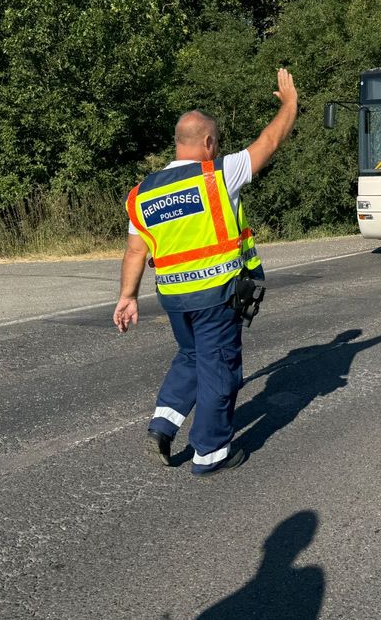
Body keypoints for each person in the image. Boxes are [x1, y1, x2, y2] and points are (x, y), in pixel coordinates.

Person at [113, 68, 298, 476]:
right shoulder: (217, 174)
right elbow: (269, 142)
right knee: (219, 366)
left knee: (191, 355)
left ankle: (162, 427)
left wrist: (127, 297)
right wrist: (289, 106)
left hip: (174, 298)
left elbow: (134, 250)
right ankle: (211, 451)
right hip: (215, 295)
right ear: (209, 143)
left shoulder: (143, 192)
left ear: (178, 143)